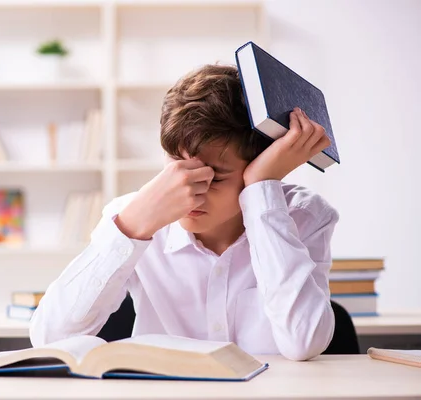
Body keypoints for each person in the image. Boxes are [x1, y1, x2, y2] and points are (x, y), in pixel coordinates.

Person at [30, 64, 338, 361]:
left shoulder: (305, 216)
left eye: (215, 177)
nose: (191, 189)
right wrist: (133, 227)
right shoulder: (133, 215)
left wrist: (261, 188)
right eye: (178, 167)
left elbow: (304, 342)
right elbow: (50, 339)